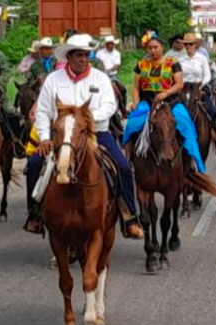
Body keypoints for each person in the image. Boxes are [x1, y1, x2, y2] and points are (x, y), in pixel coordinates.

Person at [23, 34, 143, 239]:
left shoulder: (101, 78)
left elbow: (109, 106)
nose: (84, 59)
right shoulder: (53, 79)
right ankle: (35, 214)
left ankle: (128, 215)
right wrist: (44, 137)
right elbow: (43, 111)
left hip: (96, 133)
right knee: (34, 164)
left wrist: (84, 122)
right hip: (61, 136)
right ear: (69, 57)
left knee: (122, 166)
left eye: (87, 55)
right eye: (79, 55)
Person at [122, 34, 207, 173]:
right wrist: (136, 102)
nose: (153, 51)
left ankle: (192, 160)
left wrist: (166, 93)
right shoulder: (141, 65)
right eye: (150, 48)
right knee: (132, 123)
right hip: (147, 102)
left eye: (156, 47)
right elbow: (136, 87)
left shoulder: (173, 63)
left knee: (185, 123)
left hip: (171, 101)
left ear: (162, 48)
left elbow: (179, 84)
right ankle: (128, 158)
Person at [178, 32, 216, 156]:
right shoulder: (179, 60)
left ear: (195, 44)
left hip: (199, 87)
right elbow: (176, 75)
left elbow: (207, 75)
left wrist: (202, 85)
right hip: (183, 88)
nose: (188, 47)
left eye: (191, 44)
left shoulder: (202, 58)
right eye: (186, 44)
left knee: (212, 111)